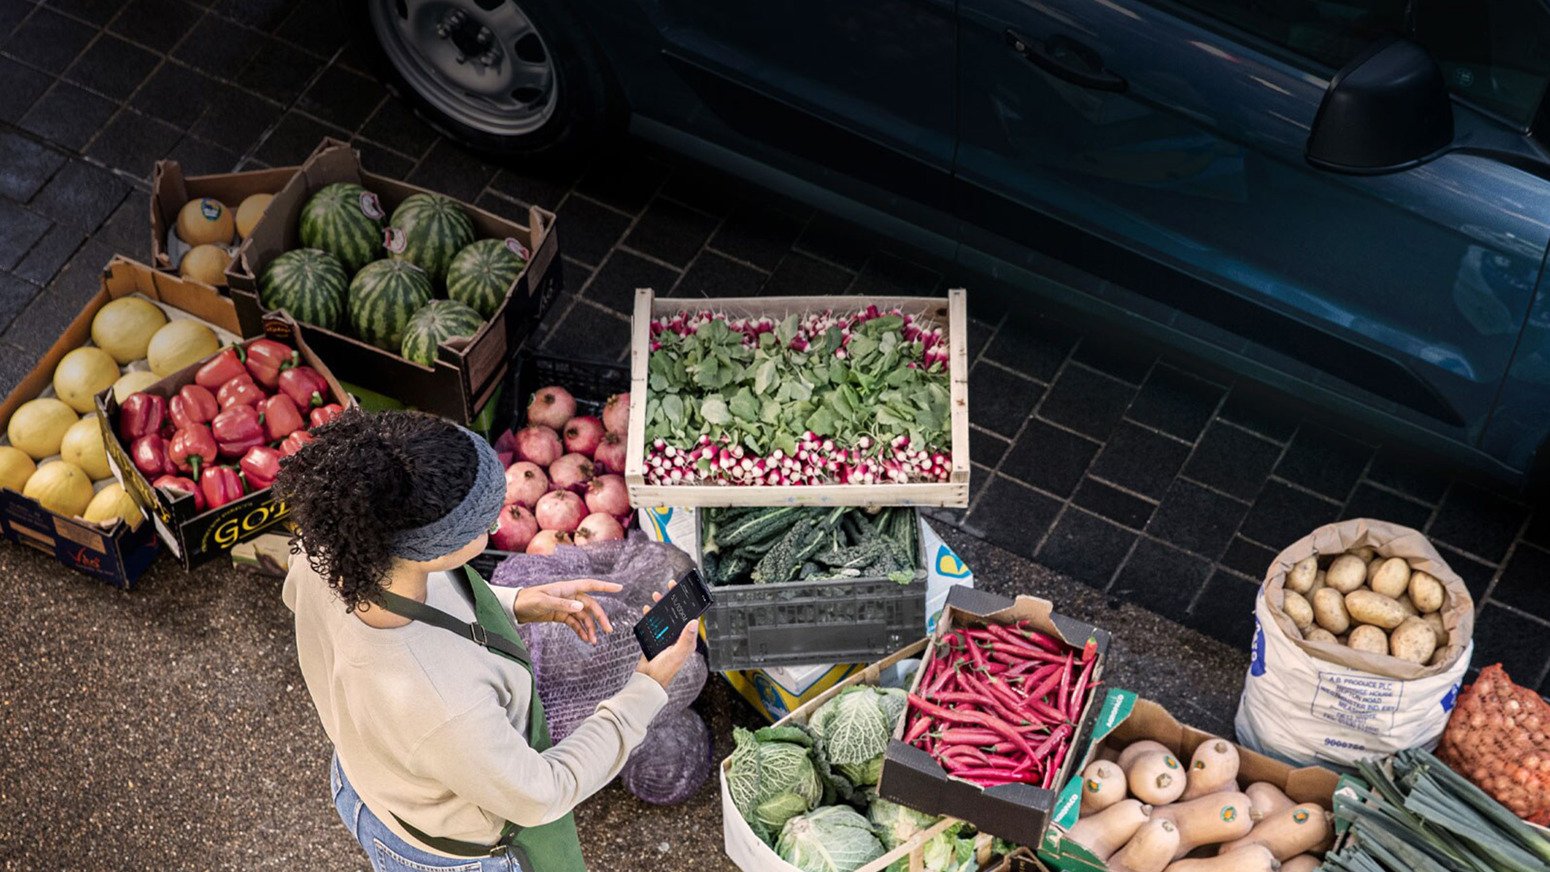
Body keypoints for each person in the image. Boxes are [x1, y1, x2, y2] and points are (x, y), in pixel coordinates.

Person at [274, 408, 698, 872]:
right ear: (438, 547)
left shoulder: (329, 555)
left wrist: (513, 602)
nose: (496, 524)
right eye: (484, 522)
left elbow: (417, 598)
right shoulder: (441, 705)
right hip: (449, 852)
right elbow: (543, 792)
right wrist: (646, 688)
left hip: (370, 784)